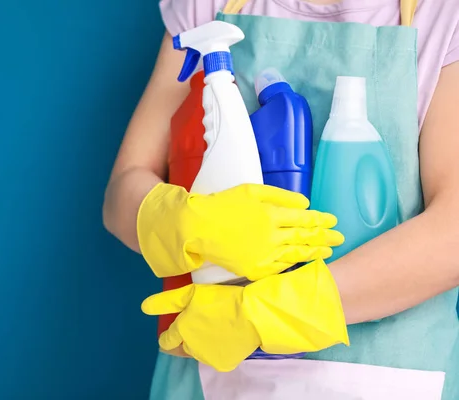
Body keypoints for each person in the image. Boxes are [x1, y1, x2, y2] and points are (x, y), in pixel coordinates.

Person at [103, 0, 459, 398]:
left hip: (388, 378)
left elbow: (453, 232)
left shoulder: (441, 15)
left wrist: (267, 313)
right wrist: (177, 222)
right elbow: (122, 190)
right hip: (212, 368)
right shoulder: (209, 6)